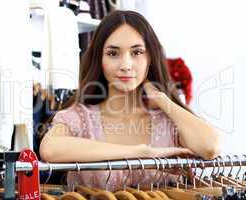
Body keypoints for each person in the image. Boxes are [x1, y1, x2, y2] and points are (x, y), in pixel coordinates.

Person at [40, 10, 221, 191]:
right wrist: (140, 153)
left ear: (150, 57)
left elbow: (210, 147)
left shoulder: (169, 121)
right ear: (99, 59)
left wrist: (163, 100)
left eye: (137, 52)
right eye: (113, 53)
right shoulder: (80, 117)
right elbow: (50, 148)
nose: (126, 65)